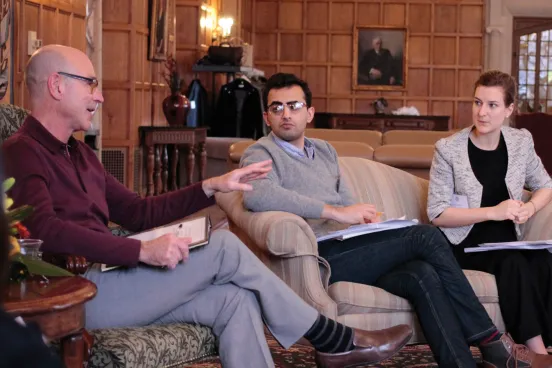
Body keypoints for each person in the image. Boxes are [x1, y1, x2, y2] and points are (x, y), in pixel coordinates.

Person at [1, 45, 414, 368]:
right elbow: (45, 231)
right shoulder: (21, 152)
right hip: (78, 296)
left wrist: (212, 186)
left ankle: (329, 343)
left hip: (113, 280)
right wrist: (141, 250)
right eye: (90, 84)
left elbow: (138, 213)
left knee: (234, 300)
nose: (101, 95)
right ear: (57, 86)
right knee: (225, 247)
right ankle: (331, 338)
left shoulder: (81, 154)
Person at [240, 72, 552, 368]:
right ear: (267, 116)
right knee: (426, 236)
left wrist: (365, 219)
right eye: (276, 107)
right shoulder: (260, 152)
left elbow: (348, 204)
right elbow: (256, 195)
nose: (285, 114)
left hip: (353, 247)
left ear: (309, 113)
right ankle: (492, 341)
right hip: (322, 255)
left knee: (423, 274)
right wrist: (333, 212)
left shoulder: (324, 151)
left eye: (294, 106)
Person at [427, 70, 552, 355]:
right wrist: (492, 212)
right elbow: (437, 213)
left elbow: (545, 184)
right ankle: (537, 354)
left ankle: (545, 343)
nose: (482, 112)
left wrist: (531, 207)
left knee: (545, 262)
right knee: (513, 264)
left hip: (506, 239)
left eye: (492, 105)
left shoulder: (520, 142)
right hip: (463, 243)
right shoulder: (448, 149)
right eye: (477, 102)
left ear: (509, 110)